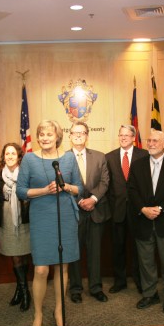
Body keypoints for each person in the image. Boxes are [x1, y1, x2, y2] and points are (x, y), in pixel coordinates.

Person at [16, 119, 83, 326]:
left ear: (57, 137)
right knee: (42, 269)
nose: (45, 138)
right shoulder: (29, 159)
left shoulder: (69, 158)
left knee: (62, 266)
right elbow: (20, 190)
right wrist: (45, 190)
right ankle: (38, 314)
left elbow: (80, 188)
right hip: (41, 217)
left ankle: (59, 310)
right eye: (41, 134)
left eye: (49, 134)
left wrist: (66, 187)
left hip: (65, 216)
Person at [127, 129, 164, 314]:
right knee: (146, 261)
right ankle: (150, 294)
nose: (151, 144)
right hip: (143, 220)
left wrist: (160, 209)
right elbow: (132, 189)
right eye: (149, 140)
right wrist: (143, 209)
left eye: (155, 141)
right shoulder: (137, 165)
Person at [68, 121, 111, 304]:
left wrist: (92, 199)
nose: (78, 135)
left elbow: (104, 181)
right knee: (74, 253)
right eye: (75, 133)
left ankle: (96, 288)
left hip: (96, 211)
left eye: (82, 132)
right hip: (73, 212)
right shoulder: (63, 158)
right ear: (69, 136)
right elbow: (63, 184)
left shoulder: (100, 157)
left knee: (95, 253)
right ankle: (75, 289)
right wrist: (79, 201)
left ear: (87, 135)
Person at [105, 125, 148, 294]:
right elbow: (107, 185)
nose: (123, 138)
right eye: (120, 135)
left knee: (139, 249)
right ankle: (120, 281)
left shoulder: (144, 155)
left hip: (138, 210)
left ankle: (140, 281)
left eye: (126, 135)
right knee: (118, 248)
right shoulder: (109, 157)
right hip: (117, 210)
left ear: (133, 137)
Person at [0, 143, 32, 312]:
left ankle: (20, 290)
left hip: (25, 218)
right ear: (3, 156)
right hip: (7, 219)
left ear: (19, 156)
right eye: (7, 153)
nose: (9, 156)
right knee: (15, 255)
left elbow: (31, 193)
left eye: (13, 153)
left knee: (24, 253)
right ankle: (24, 291)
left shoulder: (25, 173)